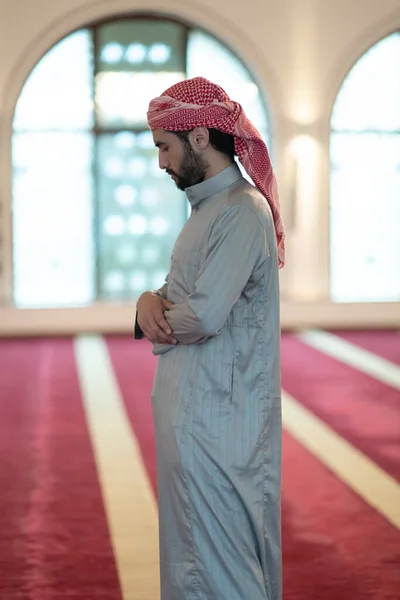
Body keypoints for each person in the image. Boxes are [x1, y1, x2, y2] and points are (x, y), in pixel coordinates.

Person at [135, 76, 285, 600]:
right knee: (193, 552)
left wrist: (152, 316)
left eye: (164, 147)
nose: (161, 163)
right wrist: (149, 298)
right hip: (195, 414)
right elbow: (183, 291)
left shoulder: (242, 211)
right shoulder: (209, 210)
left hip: (222, 420)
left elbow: (201, 314)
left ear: (199, 136)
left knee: (224, 561)